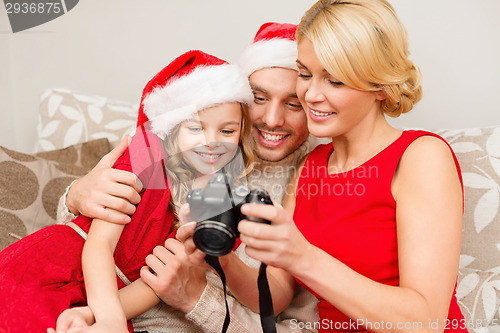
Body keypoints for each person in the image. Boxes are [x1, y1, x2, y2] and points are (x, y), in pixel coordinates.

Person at [194, 0, 467, 332]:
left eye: (334, 81)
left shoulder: (421, 156)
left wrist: (303, 257)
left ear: (380, 86)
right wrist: (218, 253)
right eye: (305, 74)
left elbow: (426, 321)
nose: (310, 95)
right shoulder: (312, 166)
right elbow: (277, 293)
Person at [56, 23, 321, 332]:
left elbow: (280, 310)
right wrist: (75, 196)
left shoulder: (312, 179)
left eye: (293, 104)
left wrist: (197, 296)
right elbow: (92, 230)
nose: (273, 120)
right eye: (259, 98)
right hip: (97, 299)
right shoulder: (178, 142)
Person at [0, 50, 256, 333]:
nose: (211, 142)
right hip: (57, 267)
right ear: (172, 128)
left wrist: (94, 317)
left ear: (242, 133)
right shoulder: (145, 152)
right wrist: (108, 317)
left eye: (228, 132)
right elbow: (99, 245)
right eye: (195, 128)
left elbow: (155, 284)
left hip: (110, 299)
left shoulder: (221, 199)